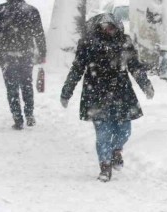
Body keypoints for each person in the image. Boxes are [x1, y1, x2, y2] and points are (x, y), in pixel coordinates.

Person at [60, 13, 154, 182]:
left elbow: (134, 66)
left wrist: (145, 84)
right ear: (98, 28)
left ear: (117, 27)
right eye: (104, 27)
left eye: (111, 27)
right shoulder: (88, 43)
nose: (108, 30)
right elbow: (77, 69)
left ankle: (116, 150)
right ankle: (105, 166)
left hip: (121, 92)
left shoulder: (124, 42)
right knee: (103, 133)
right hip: (95, 94)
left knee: (124, 131)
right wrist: (67, 91)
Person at [0, 0, 46, 130]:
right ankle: (29, 114)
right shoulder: (31, 10)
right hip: (25, 53)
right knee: (26, 84)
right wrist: (42, 52)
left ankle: (17, 118)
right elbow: (39, 33)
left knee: (11, 87)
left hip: (7, 54)